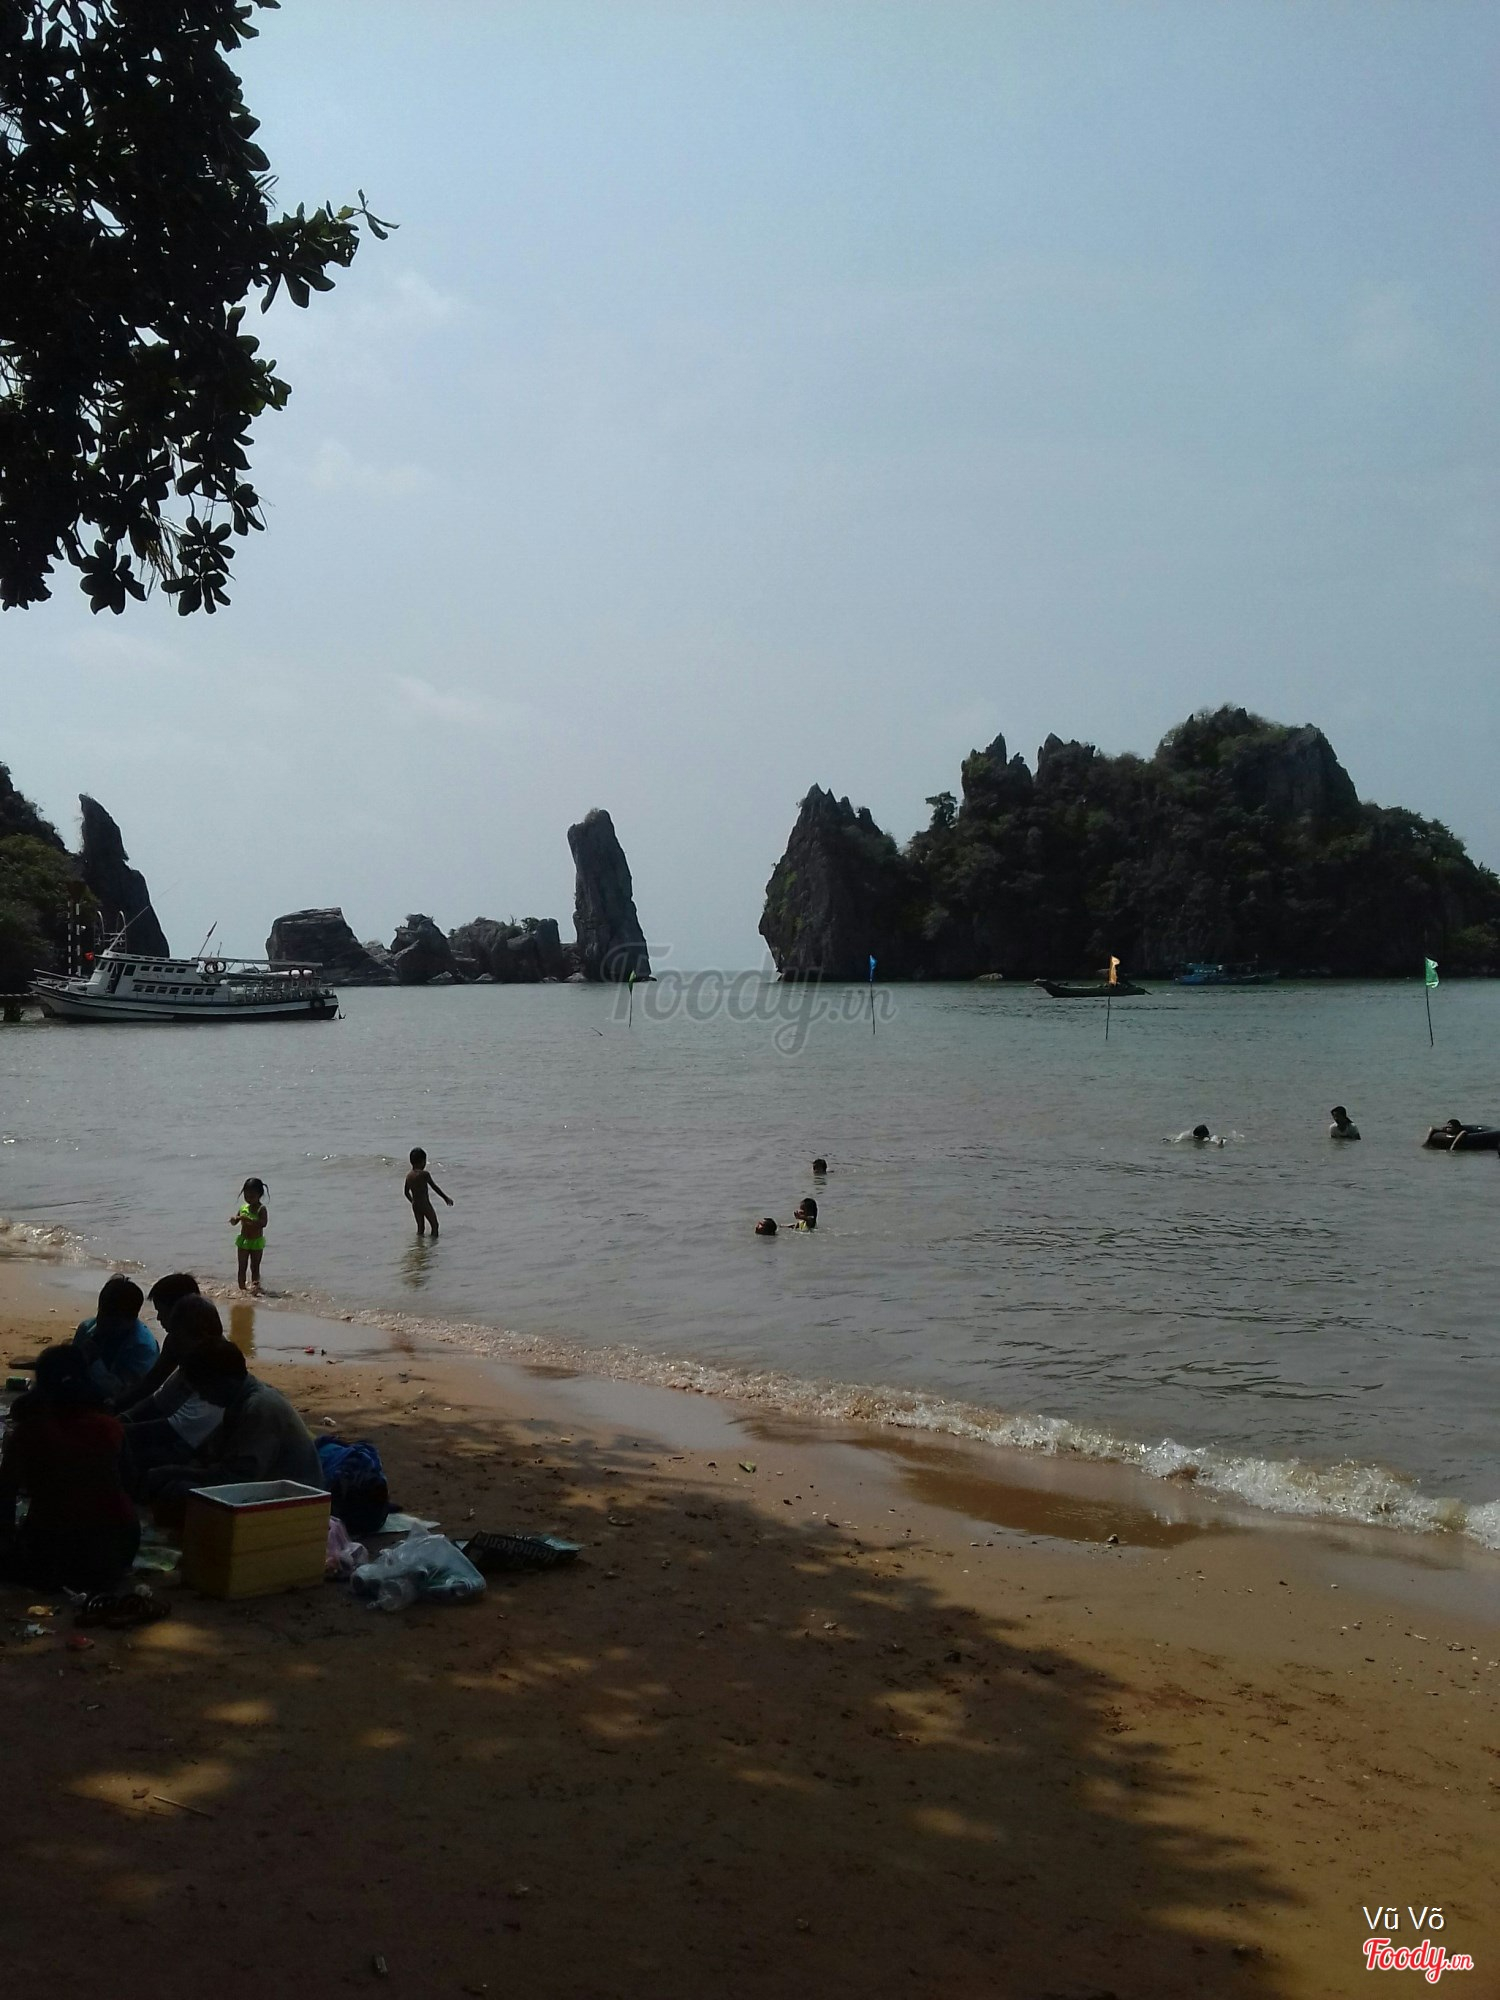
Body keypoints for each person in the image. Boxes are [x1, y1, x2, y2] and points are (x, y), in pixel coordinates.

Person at [0, 1345, 140, 1590]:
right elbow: (131, 1485)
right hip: (117, 1549)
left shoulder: (27, 1433)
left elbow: (5, 1497)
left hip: (54, 1553)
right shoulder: (109, 1427)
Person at [143, 1338, 326, 1505]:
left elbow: (239, 1477)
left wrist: (176, 1471)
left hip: (292, 1498)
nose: (203, 1397)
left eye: (203, 1390)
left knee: (179, 1493)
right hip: (265, 1486)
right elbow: (213, 1455)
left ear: (223, 1382)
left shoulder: (259, 1408)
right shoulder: (240, 1402)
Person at [119, 1296, 238, 1498]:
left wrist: (114, 1430)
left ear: (200, 1336)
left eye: (177, 1337)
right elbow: (157, 1402)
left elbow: (172, 1430)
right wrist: (124, 1418)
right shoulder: (191, 1361)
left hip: (202, 1453)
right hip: (189, 1441)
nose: (173, 1343)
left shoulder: (217, 1370)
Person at [72, 1275, 159, 1404]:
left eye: (114, 1322)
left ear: (132, 1318)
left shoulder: (143, 1348)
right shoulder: (86, 1329)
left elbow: (127, 1394)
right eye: (102, 1315)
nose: (104, 1325)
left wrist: (94, 1361)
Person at [127, 1271, 204, 1404]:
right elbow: (151, 1382)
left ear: (178, 1311)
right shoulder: (175, 1340)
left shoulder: (205, 1350)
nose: (158, 1318)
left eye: (161, 1311)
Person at [404, 1148, 454, 1238]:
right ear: (422, 1161)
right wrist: (445, 1198)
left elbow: (406, 1192)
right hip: (425, 1204)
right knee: (434, 1225)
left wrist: (413, 1201)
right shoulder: (425, 1174)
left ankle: (419, 1244)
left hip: (415, 1205)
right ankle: (433, 1244)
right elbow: (434, 1187)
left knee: (420, 1228)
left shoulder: (409, 1176)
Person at [231, 1177, 268, 1293]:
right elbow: (236, 1221)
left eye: (252, 1196)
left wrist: (250, 1220)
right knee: (242, 1266)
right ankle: (242, 1289)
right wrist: (234, 1220)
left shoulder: (261, 1209)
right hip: (244, 1241)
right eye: (246, 1196)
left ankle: (255, 1288)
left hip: (256, 1242)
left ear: (259, 1195)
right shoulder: (243, 1208)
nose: (249, 1199)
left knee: (255, 1266)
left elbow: (263, 1223)